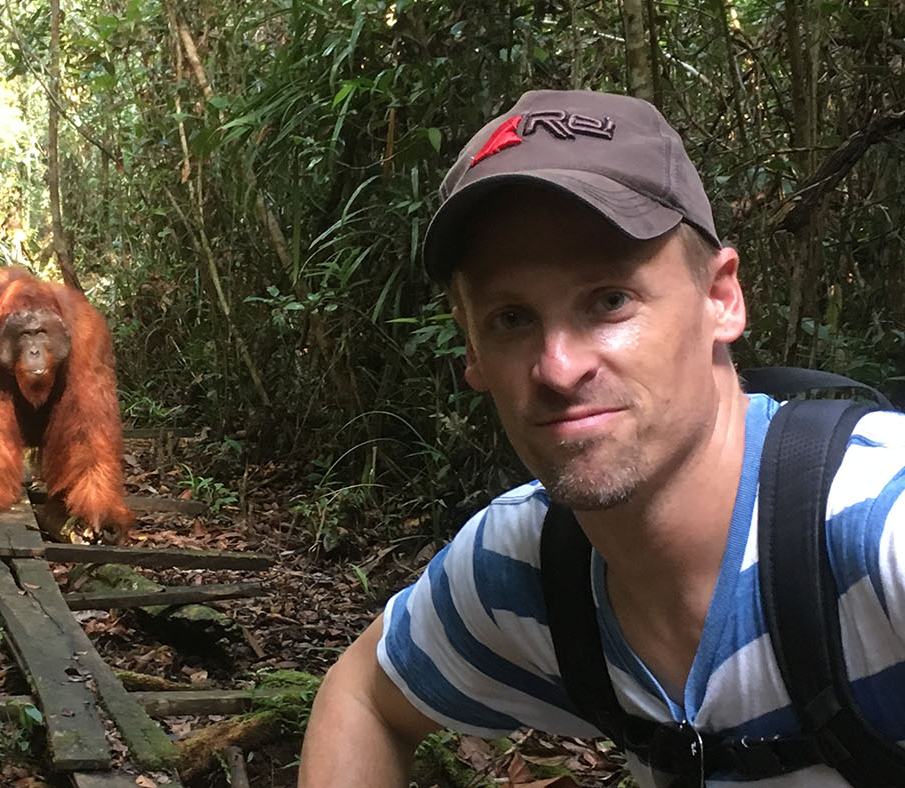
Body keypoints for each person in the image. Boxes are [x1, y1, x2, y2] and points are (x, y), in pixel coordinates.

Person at [297, 89, 905, 787]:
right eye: (511, 318)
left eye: (610, 300)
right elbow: (365, 698)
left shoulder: (878, 526)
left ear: (721, 298)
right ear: (470, 351)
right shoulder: (525, 564)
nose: (558, 367)